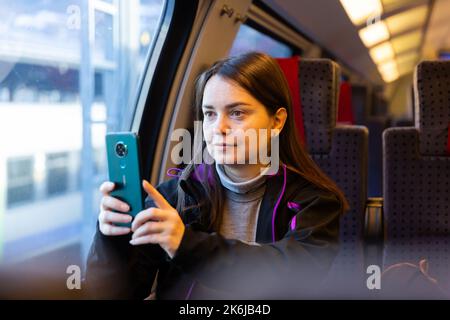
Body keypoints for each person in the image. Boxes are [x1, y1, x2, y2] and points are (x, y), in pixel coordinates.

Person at [85, 52, 348, 299]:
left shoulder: (315, 202)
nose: (218, 128)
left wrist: (184, 243)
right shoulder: (175, 197)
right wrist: (113, 240)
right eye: (210, 114)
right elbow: (117, 293)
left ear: (276, 122)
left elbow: (290, 275)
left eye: (237, 113)